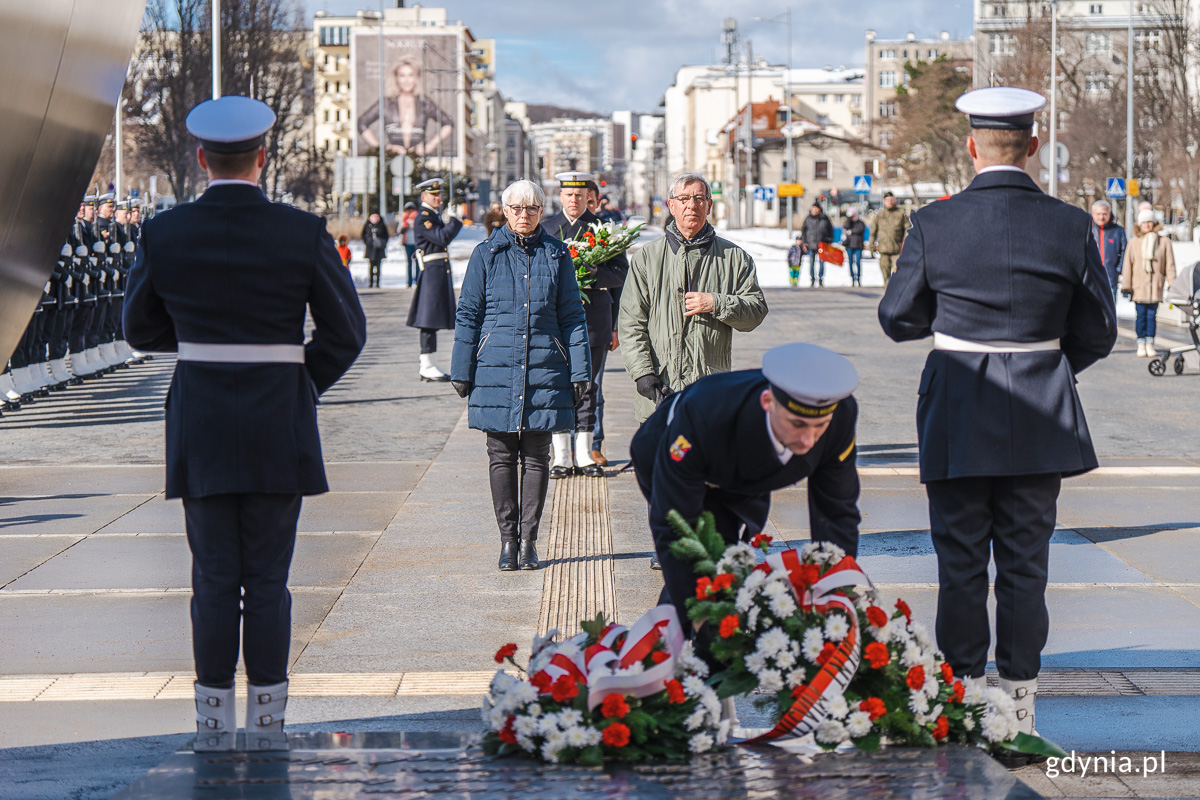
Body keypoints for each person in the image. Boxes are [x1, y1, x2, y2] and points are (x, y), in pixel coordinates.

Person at [878, 87, 1116, 763]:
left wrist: (954, 324)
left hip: (957, 408)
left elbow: (897, 318)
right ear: (1034, 146)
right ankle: (1015, 715)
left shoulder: (934, 222)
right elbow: (1098, 329)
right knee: (1024, 569)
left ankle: (956, 708)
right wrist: (1043, 362)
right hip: (1041, 414)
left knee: (959, 567)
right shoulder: (1071, 225)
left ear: (973, 145)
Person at [122, 96, 367, 752]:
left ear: (202, 159)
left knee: (210, 578)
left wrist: (201, 344)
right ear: (263, 156)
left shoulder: (164, 233)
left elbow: (139, 327)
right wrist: (297, 382)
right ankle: (266, 721)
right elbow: (347, 332)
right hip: (275, 424)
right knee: (266, 579)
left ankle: (210, 722)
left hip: (201, 421)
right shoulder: (302, 232)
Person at [631, 342, 861, 629]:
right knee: (702, 572)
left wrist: (835, 599)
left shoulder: (839, 416)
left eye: (819, 426)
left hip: (738, 476)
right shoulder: (705, 416)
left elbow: (836, 514)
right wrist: (698, 618)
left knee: (723, 564)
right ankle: (668, 650)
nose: (808, 441)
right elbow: (676, 527)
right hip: (666, 453)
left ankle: (683, 641)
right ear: (768, 403)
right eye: (798, 424)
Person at [450, 179, 590, 571]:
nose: (524, 215)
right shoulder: (486, 253)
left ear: (541, 211)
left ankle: (528, 540)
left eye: (531, 208)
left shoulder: (556, 254)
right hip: (495, 366)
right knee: (500, 456)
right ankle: (506, 541)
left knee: (536, 456)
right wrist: (461, 368)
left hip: (545, 367)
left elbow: (572, 316)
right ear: (505, 211)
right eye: (517, 208)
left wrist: (581, 369)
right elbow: (468, 314)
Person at [619, 172, 767, 426]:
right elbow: (631, 323)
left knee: (707, 464)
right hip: (659, 391)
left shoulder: (734, 258)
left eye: (699, 198)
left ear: (709, 205)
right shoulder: (647, 258)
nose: (692, 205)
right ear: (671, 205)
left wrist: (717, 303)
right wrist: (643, 374)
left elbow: (755, 312)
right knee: (659, 463)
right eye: (684, 198)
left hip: (710, 389)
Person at [542, 172, 628, 478]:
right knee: (557, 385)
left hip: (595, 319)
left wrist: (588, 273)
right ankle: (561, 455)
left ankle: (584, 452)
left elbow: (620, 274)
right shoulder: (547, 228)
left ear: (587, 197)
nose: (574, 200)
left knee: (589, 386)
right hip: (555, 323)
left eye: (579, 195)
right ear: (560, 196)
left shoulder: (601, 228)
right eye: (569, 195)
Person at [408, 178, 462, 382]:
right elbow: (441, 238)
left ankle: (430, 362)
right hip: (431, 271)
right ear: (424, 197)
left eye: (439, 194)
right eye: (434, 195)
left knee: (431, 319)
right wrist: (455, 221)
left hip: (436, 270)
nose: (438, 198)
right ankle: (427, 364)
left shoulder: (432, 215)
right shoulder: (424, 217)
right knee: (428, 319)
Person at [357, 57, 453, 157]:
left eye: (411, 75)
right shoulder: (386, 103)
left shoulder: (425, 103)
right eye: (402, 75)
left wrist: (430, 146)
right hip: (393, 159)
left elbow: (448, 123)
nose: (407, 80)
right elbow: (361, 123)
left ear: (416, 78)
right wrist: (383, 149)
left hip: (419, 160)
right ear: (396, 78)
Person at [1121, 207, 1176, 358]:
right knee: (1141, 316)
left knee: (1152, 316)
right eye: (1144, 222)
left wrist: (1172, 282)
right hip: (1138, 286)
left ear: (1154, 223)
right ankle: (1141, 342)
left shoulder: (1163, 242)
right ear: (1140, 224)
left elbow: (1169, 264)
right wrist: (1126, 285)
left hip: (1155, 286)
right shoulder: (1133, 243)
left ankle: (1150, 343)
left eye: (1150, 222)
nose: (1147, 225)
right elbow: (1128, 265)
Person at [1090, 200, 1127, 302]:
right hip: (1090, 280)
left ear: (1109, 214)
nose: (1101, 217)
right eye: (1098, 214)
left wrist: (1117, 270)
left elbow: (1124, 251)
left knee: (1109, 313)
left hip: (1110, 279)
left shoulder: (1117, 231)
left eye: (1104, 214)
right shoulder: (1088, 229)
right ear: (1092, 214)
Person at [872, 192, 909, 288]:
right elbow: (873, 232)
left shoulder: (901, 213)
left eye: (892, 200)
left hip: (897, 250)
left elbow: (907, 230)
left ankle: (898, 298)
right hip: (883, 250)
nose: (890, 202)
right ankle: (888, 298)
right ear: (884, 201)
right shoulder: (880, 215)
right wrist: (872, 246)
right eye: (887, 200)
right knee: (886, 277)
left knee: (899, 274)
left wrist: (906, 245)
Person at [799, 203, 834, 287]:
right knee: (812, 262)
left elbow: (830, 230)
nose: (814, 211)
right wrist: (804, 242)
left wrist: (830, 240)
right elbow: (803, 231)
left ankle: (821, 279)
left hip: (823, 244)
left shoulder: (825, 219)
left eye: (816, 209)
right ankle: (812, 279)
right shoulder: (808, 219)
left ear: (819, 209)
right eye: (813, 209)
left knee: (822, 262)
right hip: (811, 244)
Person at [361, 213, 388, 289]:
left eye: (376, 216)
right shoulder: (367, 225)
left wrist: (381, 242)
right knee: (371, 266)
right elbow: (363, 235)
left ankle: (378, 283)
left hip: (379, 249)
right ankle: (371, 282)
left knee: (378, 266)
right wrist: (368, 241)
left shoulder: (382, 225)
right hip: (370, 248)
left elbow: (386, 236)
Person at [843, 207, 866, 287]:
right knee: (850, 263)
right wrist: (849, 219)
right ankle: (852, 278)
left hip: (858, 245)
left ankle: (858, 277)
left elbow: (860, 230)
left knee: (858, 262)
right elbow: (845, 227)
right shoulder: (849, 222)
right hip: (849, 245)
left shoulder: (860, 223)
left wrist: (851, 231)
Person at [400, 202, 418, 286]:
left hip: (417, 243)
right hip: (407, 243)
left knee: (418, 263)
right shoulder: (404, 219)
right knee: (409, 264)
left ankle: (418, 280)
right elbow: (400, 230)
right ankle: (409, 281)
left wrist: (415, 225)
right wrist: (406, 226)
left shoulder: (418, 218)